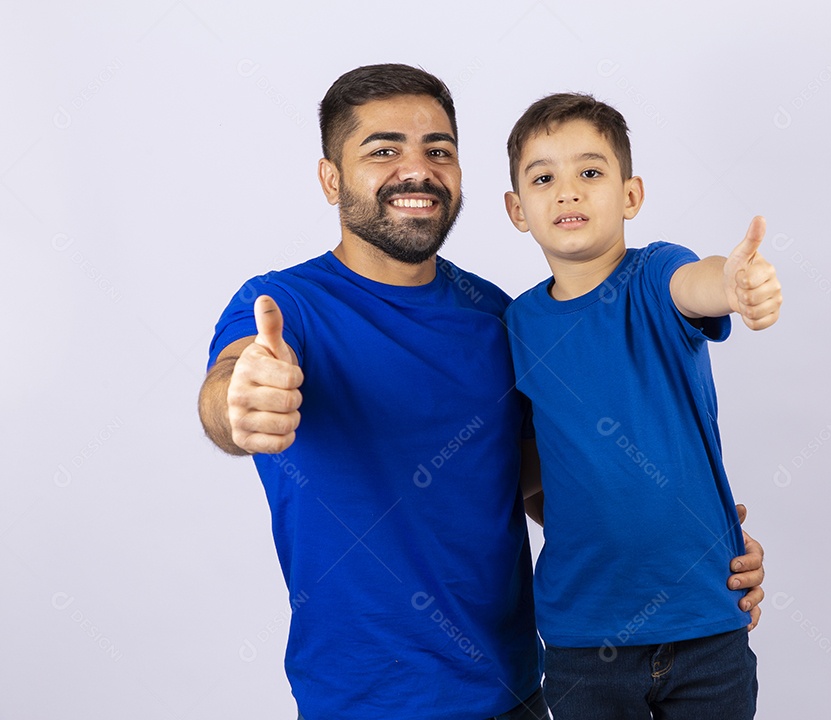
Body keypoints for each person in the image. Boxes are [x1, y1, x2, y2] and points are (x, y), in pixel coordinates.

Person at [197, 65, 766, 720]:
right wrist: (243, 395)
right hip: (358, 703)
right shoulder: (283, 306)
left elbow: (549, 487)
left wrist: (693, 549)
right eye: (383, 150)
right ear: (331, 178)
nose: (417, 169)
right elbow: (230, 389)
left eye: (438, 149)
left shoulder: (503, 320)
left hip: (517, 696)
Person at [501, 93, 782, 719]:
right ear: (517, 209)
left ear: (631, 195)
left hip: (707, 626)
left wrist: (734, 284)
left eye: (590, 172)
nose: (567, 192)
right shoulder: (515, 327)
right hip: (583, 640)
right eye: (544, 178)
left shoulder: (656, 276)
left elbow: (699, 283)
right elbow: (535, 478)